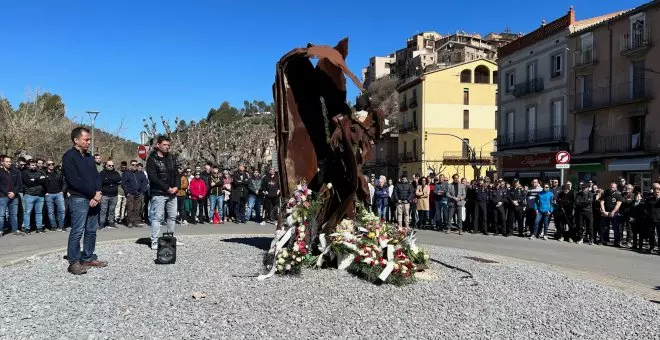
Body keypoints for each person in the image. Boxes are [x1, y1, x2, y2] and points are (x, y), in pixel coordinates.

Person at [62, 127, 107, 275]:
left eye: (89, 139)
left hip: (94, 198)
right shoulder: (69, 157)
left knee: (91, 230)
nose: (89, 142)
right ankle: (74, 262)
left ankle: (88, 257)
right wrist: (93, 194)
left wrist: (98, 193)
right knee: (77, 230)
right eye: (86, 139)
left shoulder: (88, 157)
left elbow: (96, 176)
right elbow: (74, 181)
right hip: (79, 198)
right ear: (76, 140)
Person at [146, 136, 182, 250]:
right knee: (157, 217)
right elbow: (153, 177)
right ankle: (155, 241)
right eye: (165, 145)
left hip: (172, 193)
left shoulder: (171, 158)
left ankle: (170, 239)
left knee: (172, 216)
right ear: (158, 145)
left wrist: (176, 186)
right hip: (158, 193)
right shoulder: (152, 159)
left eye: (168, 145)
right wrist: (167, 188)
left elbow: (177, 173)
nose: (167, 147)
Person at [22, 159, 47, 234]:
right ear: (28, 165)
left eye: (35, 165)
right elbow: (28, 183)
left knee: (39, 212)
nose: (34, 166)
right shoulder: (25, 172)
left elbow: (45, 180)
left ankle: (39, 228)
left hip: (40, 195)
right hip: (29, 195)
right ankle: (27, 228)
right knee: (28, 212)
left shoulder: (40, 171)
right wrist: (39, 179)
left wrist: (34, 180)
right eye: (32, 165)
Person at [122, 160, 148, 228]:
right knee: (130, 208)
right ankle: (130, 221)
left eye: (136, 165)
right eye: (133, 165)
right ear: (130, 165)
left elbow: (144, 182)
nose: (134, 166)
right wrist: (127, 192)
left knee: (137, 208)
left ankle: (136, 221)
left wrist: (142, 191)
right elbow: (124, 183)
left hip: (139, 194)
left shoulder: (140, 173)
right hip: (130, 194)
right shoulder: (126, 173)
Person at [44, 160, 67, 232]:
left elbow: (64, 183)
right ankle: (53, 226)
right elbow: (41, 184)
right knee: (51, 211)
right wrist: (45, 192)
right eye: (49, 164)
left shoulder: (58, 172)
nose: (51, 165)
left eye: (52, 164)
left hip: (58, 194)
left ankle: (61, 226)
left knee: (62, 210)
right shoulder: (44, 173)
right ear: (47, 165)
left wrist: (62, 191)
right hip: (49, 194)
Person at [99, 160, 122, 229]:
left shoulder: (116, 173)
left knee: (112, 209)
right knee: (103, 210)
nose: (111, 167)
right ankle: (102, 223)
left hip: (114, 195)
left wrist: (108, 179)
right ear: (106, 166)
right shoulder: (102, 173)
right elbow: (102, 181)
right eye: (109, 165)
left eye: (112, 165)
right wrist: (113, 180)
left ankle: (111, 222)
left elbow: (119, 179)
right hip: (105, 195)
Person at [599, 182, 623, 247]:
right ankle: (605, 240)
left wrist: (612, 212)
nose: (611, 188)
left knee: (616, 228)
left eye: (613, 187)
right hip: (606, 213)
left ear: (616, 188)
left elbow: (618, 205)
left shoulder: (618, 195)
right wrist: (604, 212)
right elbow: (602, 202)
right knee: (605, 227)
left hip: (615, 214)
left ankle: (617, 242)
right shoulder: (605, 194)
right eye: (610, 186)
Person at [0, 155, 15, 236]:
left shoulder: (13, 171)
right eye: (7, 161)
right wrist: (7, 193)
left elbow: (18, 184)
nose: (9, 163)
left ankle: (14, 229)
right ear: (2, 163)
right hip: (3, 196)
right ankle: (0, 230)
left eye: (10, 162)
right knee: (1, 215)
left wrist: (14, 192)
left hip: (13, 195)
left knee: (13, 214)